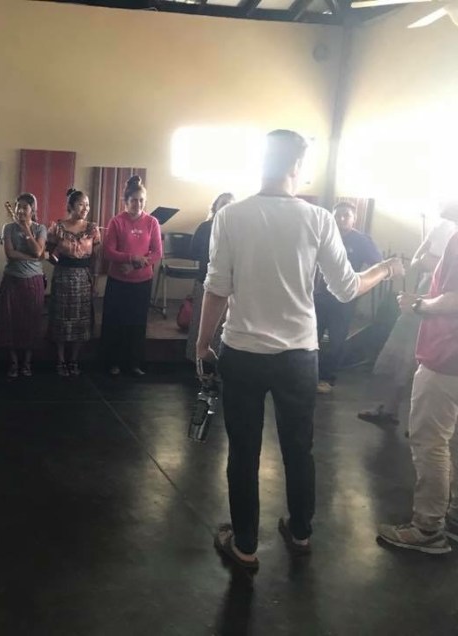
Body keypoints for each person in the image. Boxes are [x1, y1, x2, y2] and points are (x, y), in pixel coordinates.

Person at [196, 130, 404, 570]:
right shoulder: (319, 219)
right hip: (298, 357)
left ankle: (245, 545)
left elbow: (217, 289)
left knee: (244, 451)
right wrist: (385, 270)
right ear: (297, 166)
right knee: (298, 447)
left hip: (243, 352)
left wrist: (201, 344)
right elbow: (346, 289)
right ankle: (301, 531)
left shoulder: (231, 216)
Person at [377, 230, 458, 554]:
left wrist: (419, 304)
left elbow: (454, 298)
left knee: (431, 443)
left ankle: (428, 528)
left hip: (447, 356)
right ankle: (454, 517)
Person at [358, 205, 458, 425]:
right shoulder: (442, 227)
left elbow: (448, 292)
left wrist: (421, 301)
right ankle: (393, 409)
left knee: (430, 362)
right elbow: (417, 261)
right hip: (429, 295)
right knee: (403, 356)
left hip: (436, 306)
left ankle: (426, 419)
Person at [315, 202, 382, 394]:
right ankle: (308, 374)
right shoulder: (324, 235)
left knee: (336, 340)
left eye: (346, 215)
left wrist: (361, 284)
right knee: (313, 337)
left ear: (354, 219)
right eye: (337, 215)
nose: (341, 219)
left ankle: (327, 378)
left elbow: (378, 264)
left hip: (344, 300)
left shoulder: (362, 241)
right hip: (319, 295)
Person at [101, 176, 162, 376]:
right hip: (118, 282)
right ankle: (112, 362)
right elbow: (108, 252)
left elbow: (157, 253)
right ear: (125, 201)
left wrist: (135, 265)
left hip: (142, 282)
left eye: (141, 200)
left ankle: (134, 363)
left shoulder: (152, 222)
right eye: (134, 200)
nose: (138, 204)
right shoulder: (116, 222)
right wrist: (130, 257)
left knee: (137, 323)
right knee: (116, 322)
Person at [47, 189, 101, 377]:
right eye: (81, 204)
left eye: (87, 204)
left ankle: (74, 359)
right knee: (61, 318)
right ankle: (61, 359)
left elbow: (96, 258)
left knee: (81, 320)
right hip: (63, 275)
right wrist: (54, 257)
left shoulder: (92, 229)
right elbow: (49, 254)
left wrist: (95, 280)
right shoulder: (57, 227)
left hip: (83, 277)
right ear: (70, 206)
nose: (85, 208)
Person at [0, 194, 46, 378]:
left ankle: (27, 363)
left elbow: (38, 250)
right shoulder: (8, 228)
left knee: (31, 321)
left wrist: (26, 230)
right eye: (18, 206)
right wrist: (33, 258)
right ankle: (14, 362)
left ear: (33, 210)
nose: (21, 210)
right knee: (10, 321)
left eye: (25, 207)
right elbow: (10, 254)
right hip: (12, 279)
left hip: (33, 281)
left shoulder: (40, 228)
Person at [185, 192, 235, 364]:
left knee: (222, 326)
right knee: (200, 323)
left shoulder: (237, 230)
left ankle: (217, 363)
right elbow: (193, 252)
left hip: (228, 285)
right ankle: (196, 362)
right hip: (204, 280)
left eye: (230, 204)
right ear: (215, 207)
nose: (226, 207)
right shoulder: (205, 227)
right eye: (223, 204)